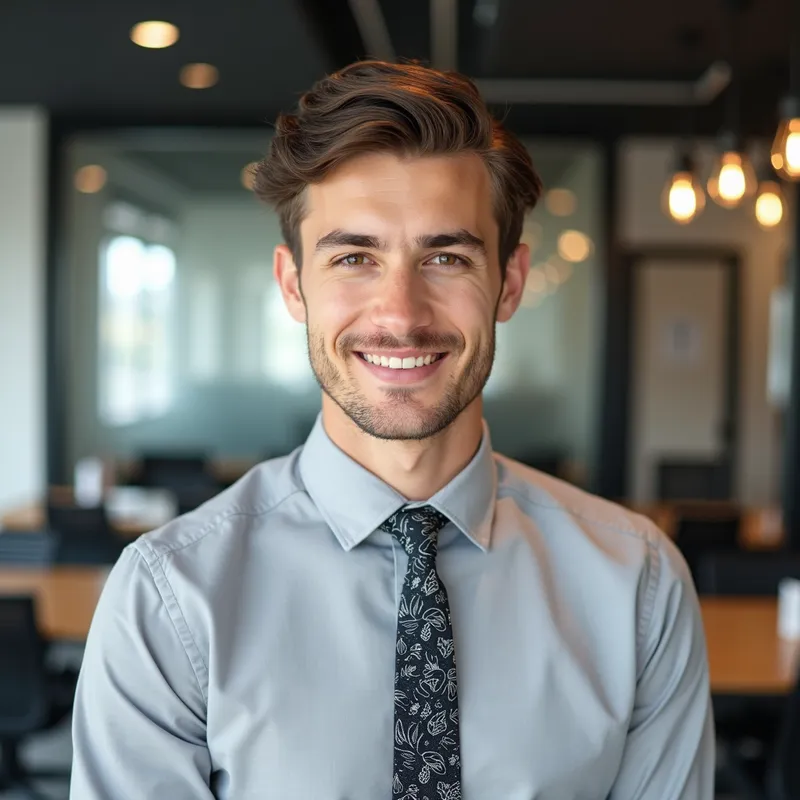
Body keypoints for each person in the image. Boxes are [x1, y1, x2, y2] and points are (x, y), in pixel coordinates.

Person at [70, 60, 714, 799]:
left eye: (446, 257)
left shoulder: (638, 588)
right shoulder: (171, 597)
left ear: (508, 282)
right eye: (354, 257)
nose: (401, 314)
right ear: (292, 285)